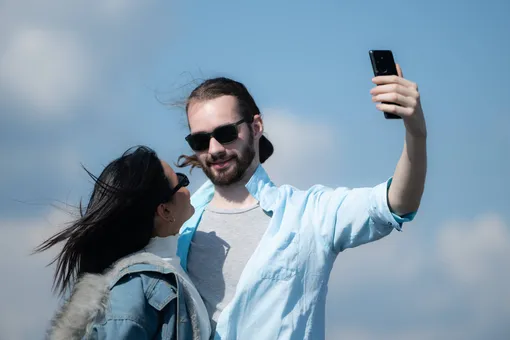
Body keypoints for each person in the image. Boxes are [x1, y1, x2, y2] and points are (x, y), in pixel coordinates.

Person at [176, 66, 427, 339]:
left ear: (256, 127)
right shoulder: (176, 224)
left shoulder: (310, 214)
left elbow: (395, 203)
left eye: (225, 134)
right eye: (200, 140)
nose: (214, 149)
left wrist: (416, 132)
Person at [35, 146, 211, 340]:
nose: (188, 189)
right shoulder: (135, 288)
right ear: (165, 211)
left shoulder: (159, 273)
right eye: (181, 181)